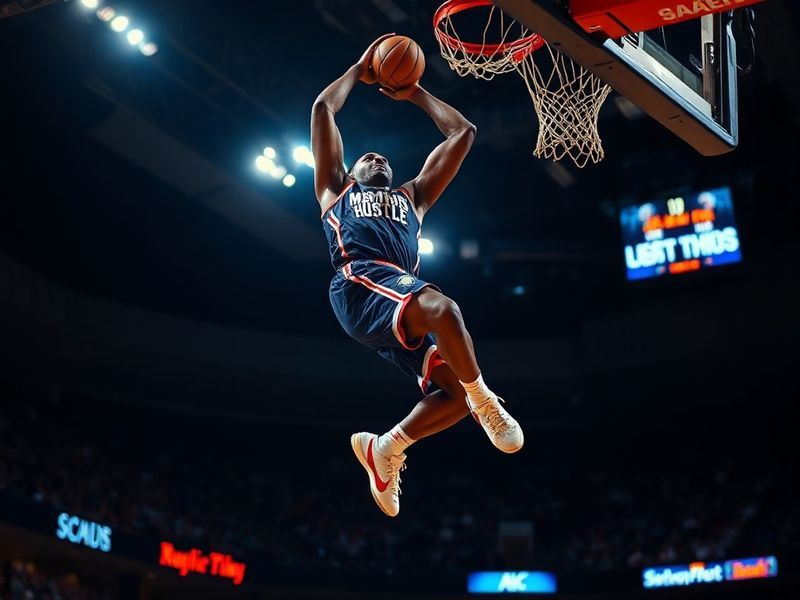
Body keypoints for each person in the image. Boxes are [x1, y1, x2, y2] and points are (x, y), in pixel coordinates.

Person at [311, 34, 523, 517]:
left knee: (452, 396)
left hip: (396, 304)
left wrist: (417, 94)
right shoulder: (333, 189)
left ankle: (385, 448)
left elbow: (463, 133)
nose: (377, 158)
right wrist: (361, 67)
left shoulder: (414, 199)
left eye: (383, 157)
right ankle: (486, 398)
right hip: (361, 283)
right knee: (443, 308)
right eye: (367, 157)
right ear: (352, 169)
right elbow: (324, 109)